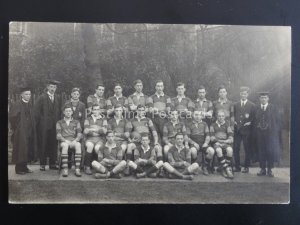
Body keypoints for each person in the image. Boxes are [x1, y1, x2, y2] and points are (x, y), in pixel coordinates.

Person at [9, 86, 38, 174]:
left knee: (27, 148)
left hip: (29, 130)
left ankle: (24, 167)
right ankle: (18, 169)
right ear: (21, 95)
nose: (28, 96)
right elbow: (12, 117)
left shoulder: (29, 104)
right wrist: (18, 127)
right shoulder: (17, 104)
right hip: (20, 131)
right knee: (20, 149)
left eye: (29, 94)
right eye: (26, 94)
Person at [35, 79, 61, 171]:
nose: (52, 89)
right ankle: (42, 164)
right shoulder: (42, 97)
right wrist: (39, 124)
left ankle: (52, 163)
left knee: (53, 144)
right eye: (51, 87)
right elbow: (37, 112)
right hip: (43, 126)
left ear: (56, 88)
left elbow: (59, 112)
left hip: (54, 125)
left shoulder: (57, 98)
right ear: (47, 87)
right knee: (43, 144)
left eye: (54, 87)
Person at [255, 92, 279, 177]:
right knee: (261, 151)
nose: (263, 99)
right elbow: (255, 119)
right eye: (261, 98)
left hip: (270, 133)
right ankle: (262, 169)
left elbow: (276, 120)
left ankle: (269, 169)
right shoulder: (257, 107)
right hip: (260, 133)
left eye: (265, 97)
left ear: (268, 98)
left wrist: (273, 130)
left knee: (270, 150)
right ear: (259, 99)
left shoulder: (273, 108)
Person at [233, 86, 256, 173]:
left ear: (247, 94)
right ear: (240, 94)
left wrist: (250, 122)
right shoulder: (236, 104)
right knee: (236, 148)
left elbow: (254, 118)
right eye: (242, 93)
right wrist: (234, 121)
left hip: (247, 131)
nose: (243, 95)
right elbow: (233, 116)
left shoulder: (252, 105)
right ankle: (237, 166)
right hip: (237, 130)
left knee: (247, 148)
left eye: (245, 94)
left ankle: (246, 167)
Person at [56, 105, 82, 177]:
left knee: (78, 145)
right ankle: (65, 169)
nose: (68, 112)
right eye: (66, 111)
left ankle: (77, 169)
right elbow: (58, 135)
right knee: (65, 145)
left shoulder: (76, 122)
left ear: (72, 112)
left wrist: (75, 140)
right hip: (64, 141)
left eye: (70, 111)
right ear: (64, 112)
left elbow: (79, 134)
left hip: (73, 141)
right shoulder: (59, 122)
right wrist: (65, 141)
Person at [186, 110, 215, 175]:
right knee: (193, 151)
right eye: (196, 115)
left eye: (199, 115)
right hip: (194, 143)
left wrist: (206, 143)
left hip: (203, 143)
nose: (197, 116)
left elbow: (208, 135)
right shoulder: (189, 124)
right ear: (193, 115)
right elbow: (187, 137)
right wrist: (193, 143)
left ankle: (205, 166)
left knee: (211, 151)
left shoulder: (204, 124)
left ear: (201, 116)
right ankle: (195, 167)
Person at [83, 104, 108, 175]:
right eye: (94, 109)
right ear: (92, 110)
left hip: (100, 139)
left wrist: (92, 129)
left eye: (97, 109)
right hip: (90, 139)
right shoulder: (88, 119)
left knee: (97, 148)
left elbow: (105, 131)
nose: (96, 111)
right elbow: (86, 131)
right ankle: (87, 166)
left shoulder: (104, 119)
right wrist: (98, 130)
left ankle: (99, 167)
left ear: (100, 111)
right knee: (90, 146)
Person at [210, 110, 234, 179]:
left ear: (224, 117)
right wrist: (217, 142)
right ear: (217, 117)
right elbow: (212, 137)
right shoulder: (213, 125)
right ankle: (226, 169)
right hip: (216, 143)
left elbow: (231, 137)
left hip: (225, 142)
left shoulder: (227, 124)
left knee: (230, 150)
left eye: (222, 116)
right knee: (218, 150)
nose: (221, 117)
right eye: (219, 116)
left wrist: (225, 142)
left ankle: (223, 167)